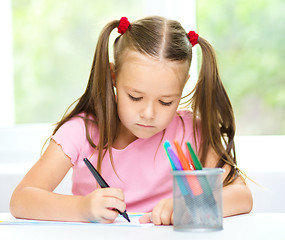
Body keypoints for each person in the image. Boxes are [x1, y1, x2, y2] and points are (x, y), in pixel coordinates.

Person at [10, 16, 252, 225]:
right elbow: (21, 200)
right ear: (113, 76)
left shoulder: (191, 131)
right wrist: (81, 208)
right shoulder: (80, 132)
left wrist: (195, 205)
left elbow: (242, 195)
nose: (148, 113)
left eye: (165, 102)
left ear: (183, 85)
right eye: (135, 97)